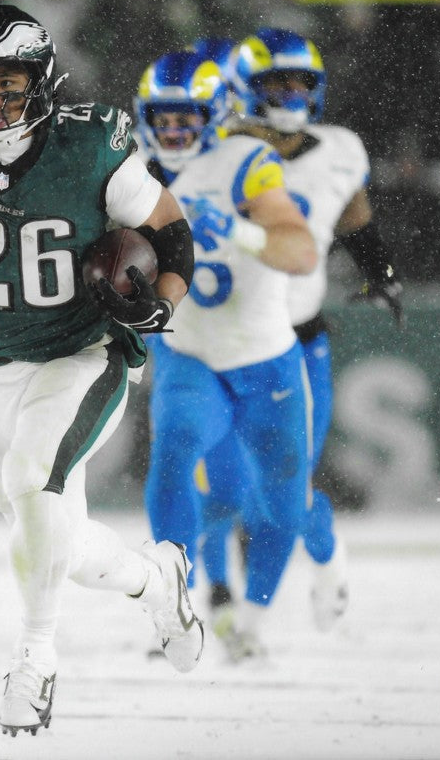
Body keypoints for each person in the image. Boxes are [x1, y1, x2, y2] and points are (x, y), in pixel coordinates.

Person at [0, 5, 203, 736]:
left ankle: (35, 663)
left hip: (85, 350)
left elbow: (173, 240)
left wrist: (159, 308)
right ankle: (158, 578)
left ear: (40, 78)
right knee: (48, 528)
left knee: (32, 478)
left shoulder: (86, 145)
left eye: (8, 80)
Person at [201, 28, 404, 639]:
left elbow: (353, 215)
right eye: (276, 82)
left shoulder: (339, 150)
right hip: (221, 339)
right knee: (222, 485)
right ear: (244, 87)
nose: (291, 93)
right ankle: (219, 601)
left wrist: (382, 273)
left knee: (283, 492)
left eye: (300, 83)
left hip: (296, 341)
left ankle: (321, 558)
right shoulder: (208, 148)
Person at [133, 47, 319, 662]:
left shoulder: (248, 161)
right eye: (162, 119)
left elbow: (300, 252)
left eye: (186, 118)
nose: (173, 131)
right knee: (176, 446)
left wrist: (239, 230)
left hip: (265, 356)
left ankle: (252, 620)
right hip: (190, 352)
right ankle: (174, 602)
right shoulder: (131, 172)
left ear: (216, 115)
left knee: (284, 498)